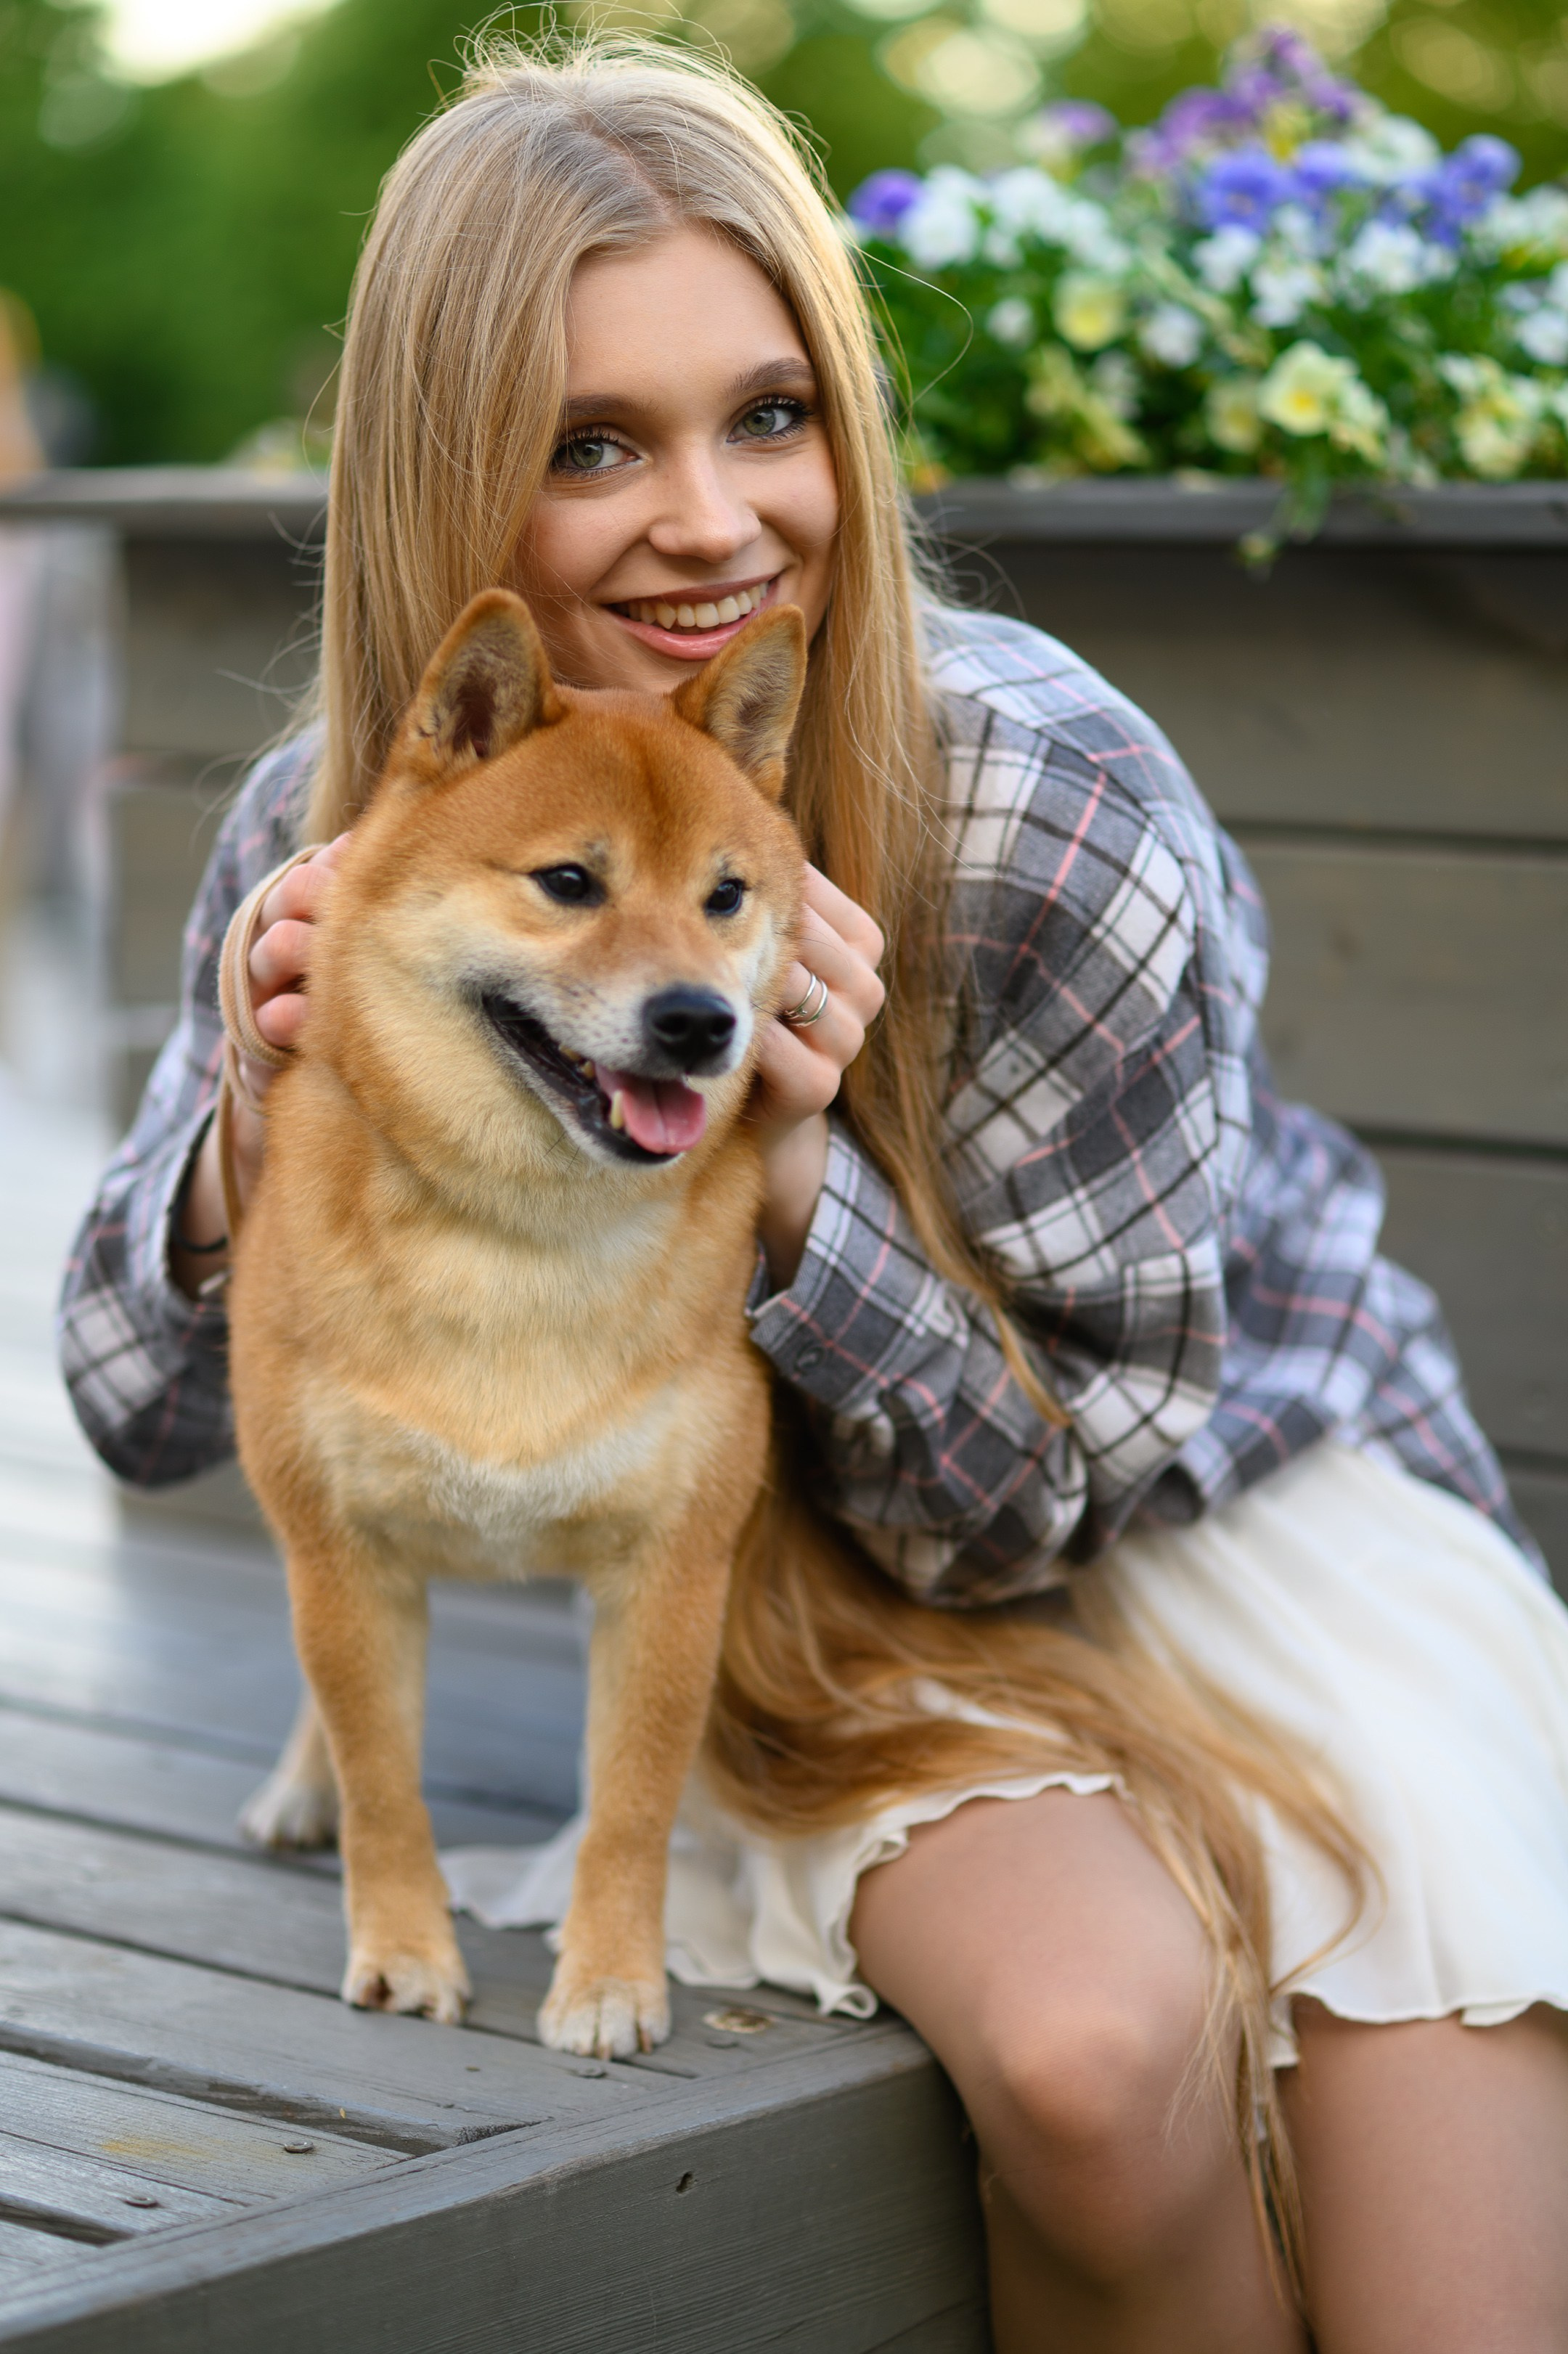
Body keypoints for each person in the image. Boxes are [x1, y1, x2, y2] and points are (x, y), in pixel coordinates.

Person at [59, 41, 1568, 2353]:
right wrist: (267, 1111)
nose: (712, 518)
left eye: (770, 416)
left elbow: (1067, 1489)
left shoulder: (1045, 804)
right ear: (447, 480)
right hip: (808, 1592)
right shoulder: (340, 840)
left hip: (1220, 1514)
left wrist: (792, 1182)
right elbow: (134, 1410)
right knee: (1092, 2064)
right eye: (594, 443)